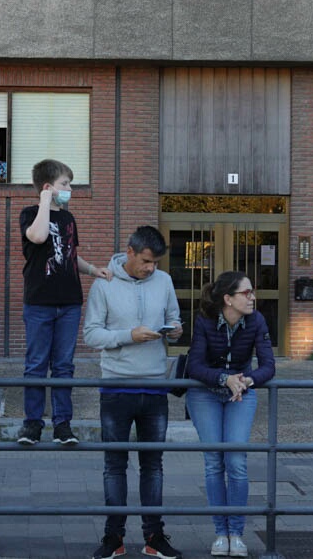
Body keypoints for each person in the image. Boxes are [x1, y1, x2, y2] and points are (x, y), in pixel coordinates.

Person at [83, 225, 184, 559]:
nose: (150, 268)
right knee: (115, 465)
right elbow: (92, 335)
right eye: (145, 261)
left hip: (155, 385)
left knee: (153, 466)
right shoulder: (104, 282)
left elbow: (173, 317)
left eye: (155, 263)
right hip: (116, 384)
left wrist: (174, 331)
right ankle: (114, 538)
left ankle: (154, 537)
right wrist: (128, 335)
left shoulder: (165, 281)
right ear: (129, 252)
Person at [17, 159, 110, 446]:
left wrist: (94, 270)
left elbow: (70, 255)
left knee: (64, 365)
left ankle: (62, 425)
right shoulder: (30, 214)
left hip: (69, 302)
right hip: (40, 303)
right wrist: (45, 202)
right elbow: (38, 236)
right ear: (48, 187)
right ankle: (32, 424)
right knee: (36, 364)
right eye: (64, 184)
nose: (70, 189)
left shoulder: (69, 219)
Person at [184, 271, 275, 558]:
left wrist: (247, 380)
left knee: (236, 461)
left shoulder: (256, 320)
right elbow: (195, 366)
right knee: (214, 461)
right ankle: (219, 533)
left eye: (252, 291)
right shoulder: (205, 321)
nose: (252, 297)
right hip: (205, 393)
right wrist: (225, 378)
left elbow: (269, 366)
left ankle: (236, 533)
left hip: (242, 394)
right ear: (228, 299)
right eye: (246, 293)